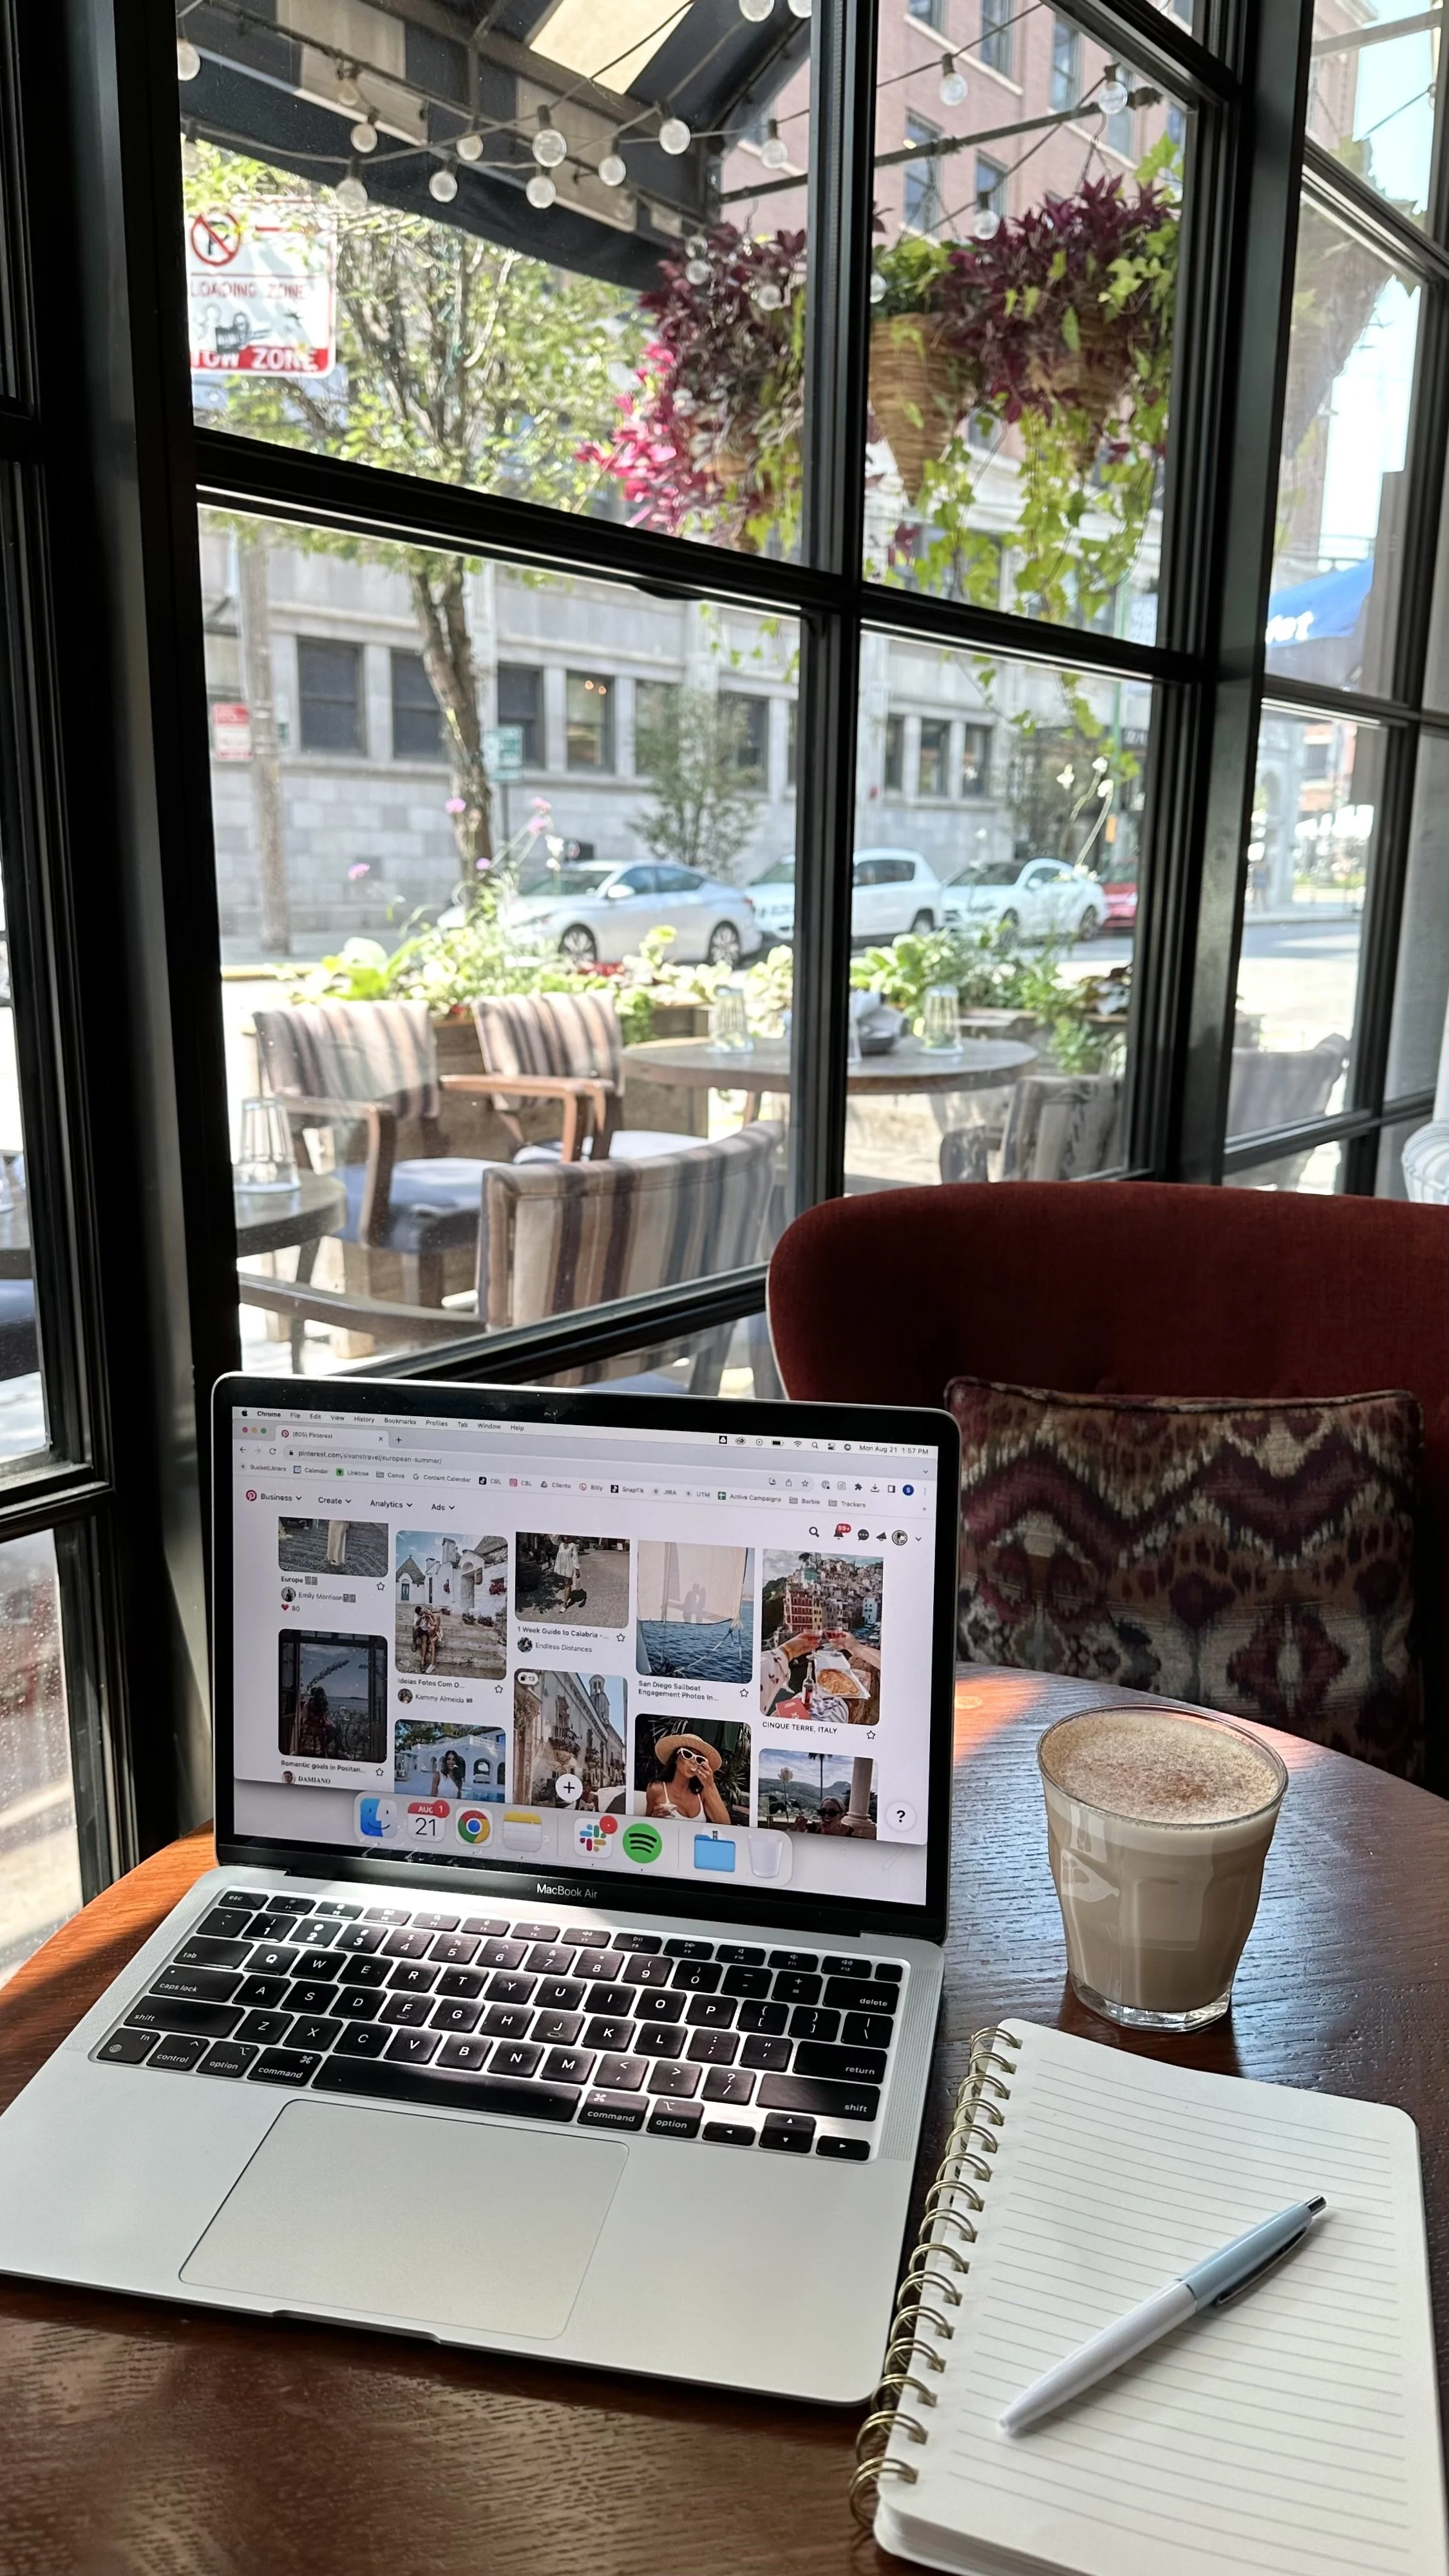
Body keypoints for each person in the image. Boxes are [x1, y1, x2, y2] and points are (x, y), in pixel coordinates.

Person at [644, 1732, 732, 1824]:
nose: (693, 1761)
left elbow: (726, 1825)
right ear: (675, 1759)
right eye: (687, 1754)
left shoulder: (702, 1793)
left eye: (699, 1759)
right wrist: (654, 1818)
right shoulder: (656, 1790)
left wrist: (710, 1785)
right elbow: (645, 1826)